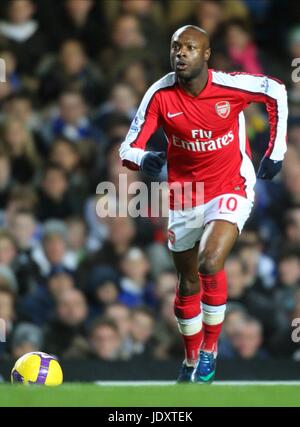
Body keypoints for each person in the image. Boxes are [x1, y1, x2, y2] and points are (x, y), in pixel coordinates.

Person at [119, 25, 288, 383]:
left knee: (210, 262)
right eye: (176, 47)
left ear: (206, 54)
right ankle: (191, 356)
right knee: (187, 281)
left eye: (190, 47)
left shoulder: (231, 86)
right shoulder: (160, 94)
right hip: (185, 195)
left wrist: (276, 151)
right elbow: (127, 146)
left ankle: (210, 350)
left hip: (232, 185)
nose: (180, 53)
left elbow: (276, 90)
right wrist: (142, 158)